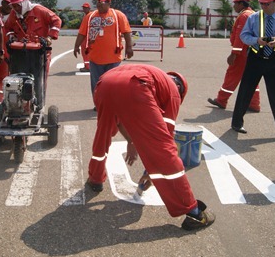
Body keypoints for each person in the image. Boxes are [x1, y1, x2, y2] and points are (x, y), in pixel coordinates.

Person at [86, 64, 215, 231]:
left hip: (103, 85)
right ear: (181, 91)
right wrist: (151, 173)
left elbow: (120, 119)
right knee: (166, 151)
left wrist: (131, 141)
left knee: (103, 134)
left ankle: (95, 179)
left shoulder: (155, 75)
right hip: (136, 87)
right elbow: (162, 141)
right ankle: (194, 212)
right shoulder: (173, 93)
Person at [231, 0, 275, 142]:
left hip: (273, 61)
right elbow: (244, 35)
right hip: (255, 59)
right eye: (262, 4)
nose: (264, 7)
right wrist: (257, 40)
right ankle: (237, 123)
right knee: (245, 91)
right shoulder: (254, 18)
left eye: (267, 4)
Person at [73, 0, 134, 98]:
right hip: (95, 58)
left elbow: (127, 32)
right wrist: (76, 46)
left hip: (113, 58)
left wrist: (129, 47)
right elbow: (82, 32)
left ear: (109, 3)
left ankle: (111, 105)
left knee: (112, 83)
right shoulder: (90, 16)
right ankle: (98, 104)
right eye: (97, 1)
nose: (98, 4)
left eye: (101, 2)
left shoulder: (118, 15)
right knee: (96, 84)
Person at [208, 0, 260, 112]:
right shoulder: (253, 14)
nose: (234, 6)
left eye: (235, 3)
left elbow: (240, 36)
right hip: (252, 52)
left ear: (241, 3)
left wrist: (234, 54)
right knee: (252, 79)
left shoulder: (244, 16)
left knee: (232, 76)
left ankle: (221, 100)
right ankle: (254, 104)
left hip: (242, 54)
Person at [3, 0, 61, 77]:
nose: (16, 9)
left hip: (40, 53)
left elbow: (57, 21)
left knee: (39, 81)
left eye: (18, 6)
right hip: (21, 53)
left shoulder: (39, 10)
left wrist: (50, 37)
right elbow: (7, 27)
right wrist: (11, 37)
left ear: (24, 3)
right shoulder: (14, 14)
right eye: (13, 6)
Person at [79, 2, 92, 72]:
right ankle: (87, 65)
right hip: (86, 37)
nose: (84, 9)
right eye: (83, 8)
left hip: (87, 37)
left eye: (86, 8)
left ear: (89, 8)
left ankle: (88, 67)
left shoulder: (89, 16)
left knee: (85, 52)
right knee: (85, 52)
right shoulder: (87, 16)